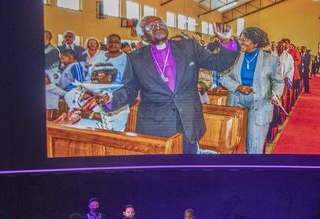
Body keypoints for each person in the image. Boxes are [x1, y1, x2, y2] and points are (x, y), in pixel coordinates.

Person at [101, 17, 238, 154]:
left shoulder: (189, 46)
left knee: (187, 167)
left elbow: (218, 63)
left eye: (160, 23)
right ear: (143, 36)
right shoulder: (135, 58)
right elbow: (129, 89)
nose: (157, 26)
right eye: (151, 26)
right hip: (155, 123)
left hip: (188, 121)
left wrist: (226, 41)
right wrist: (111, 100)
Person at [220, 27, 283, 154]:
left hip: (260, 103)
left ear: (256, 43)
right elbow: (223, 77)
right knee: (233, 142)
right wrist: (238, 86)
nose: (241, 42)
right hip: (236, 100)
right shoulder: (235, 57)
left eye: (245, 40)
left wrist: (276, 95)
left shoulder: (271, 60)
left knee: (255, 144)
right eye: (240, 39)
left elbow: (278, 81)